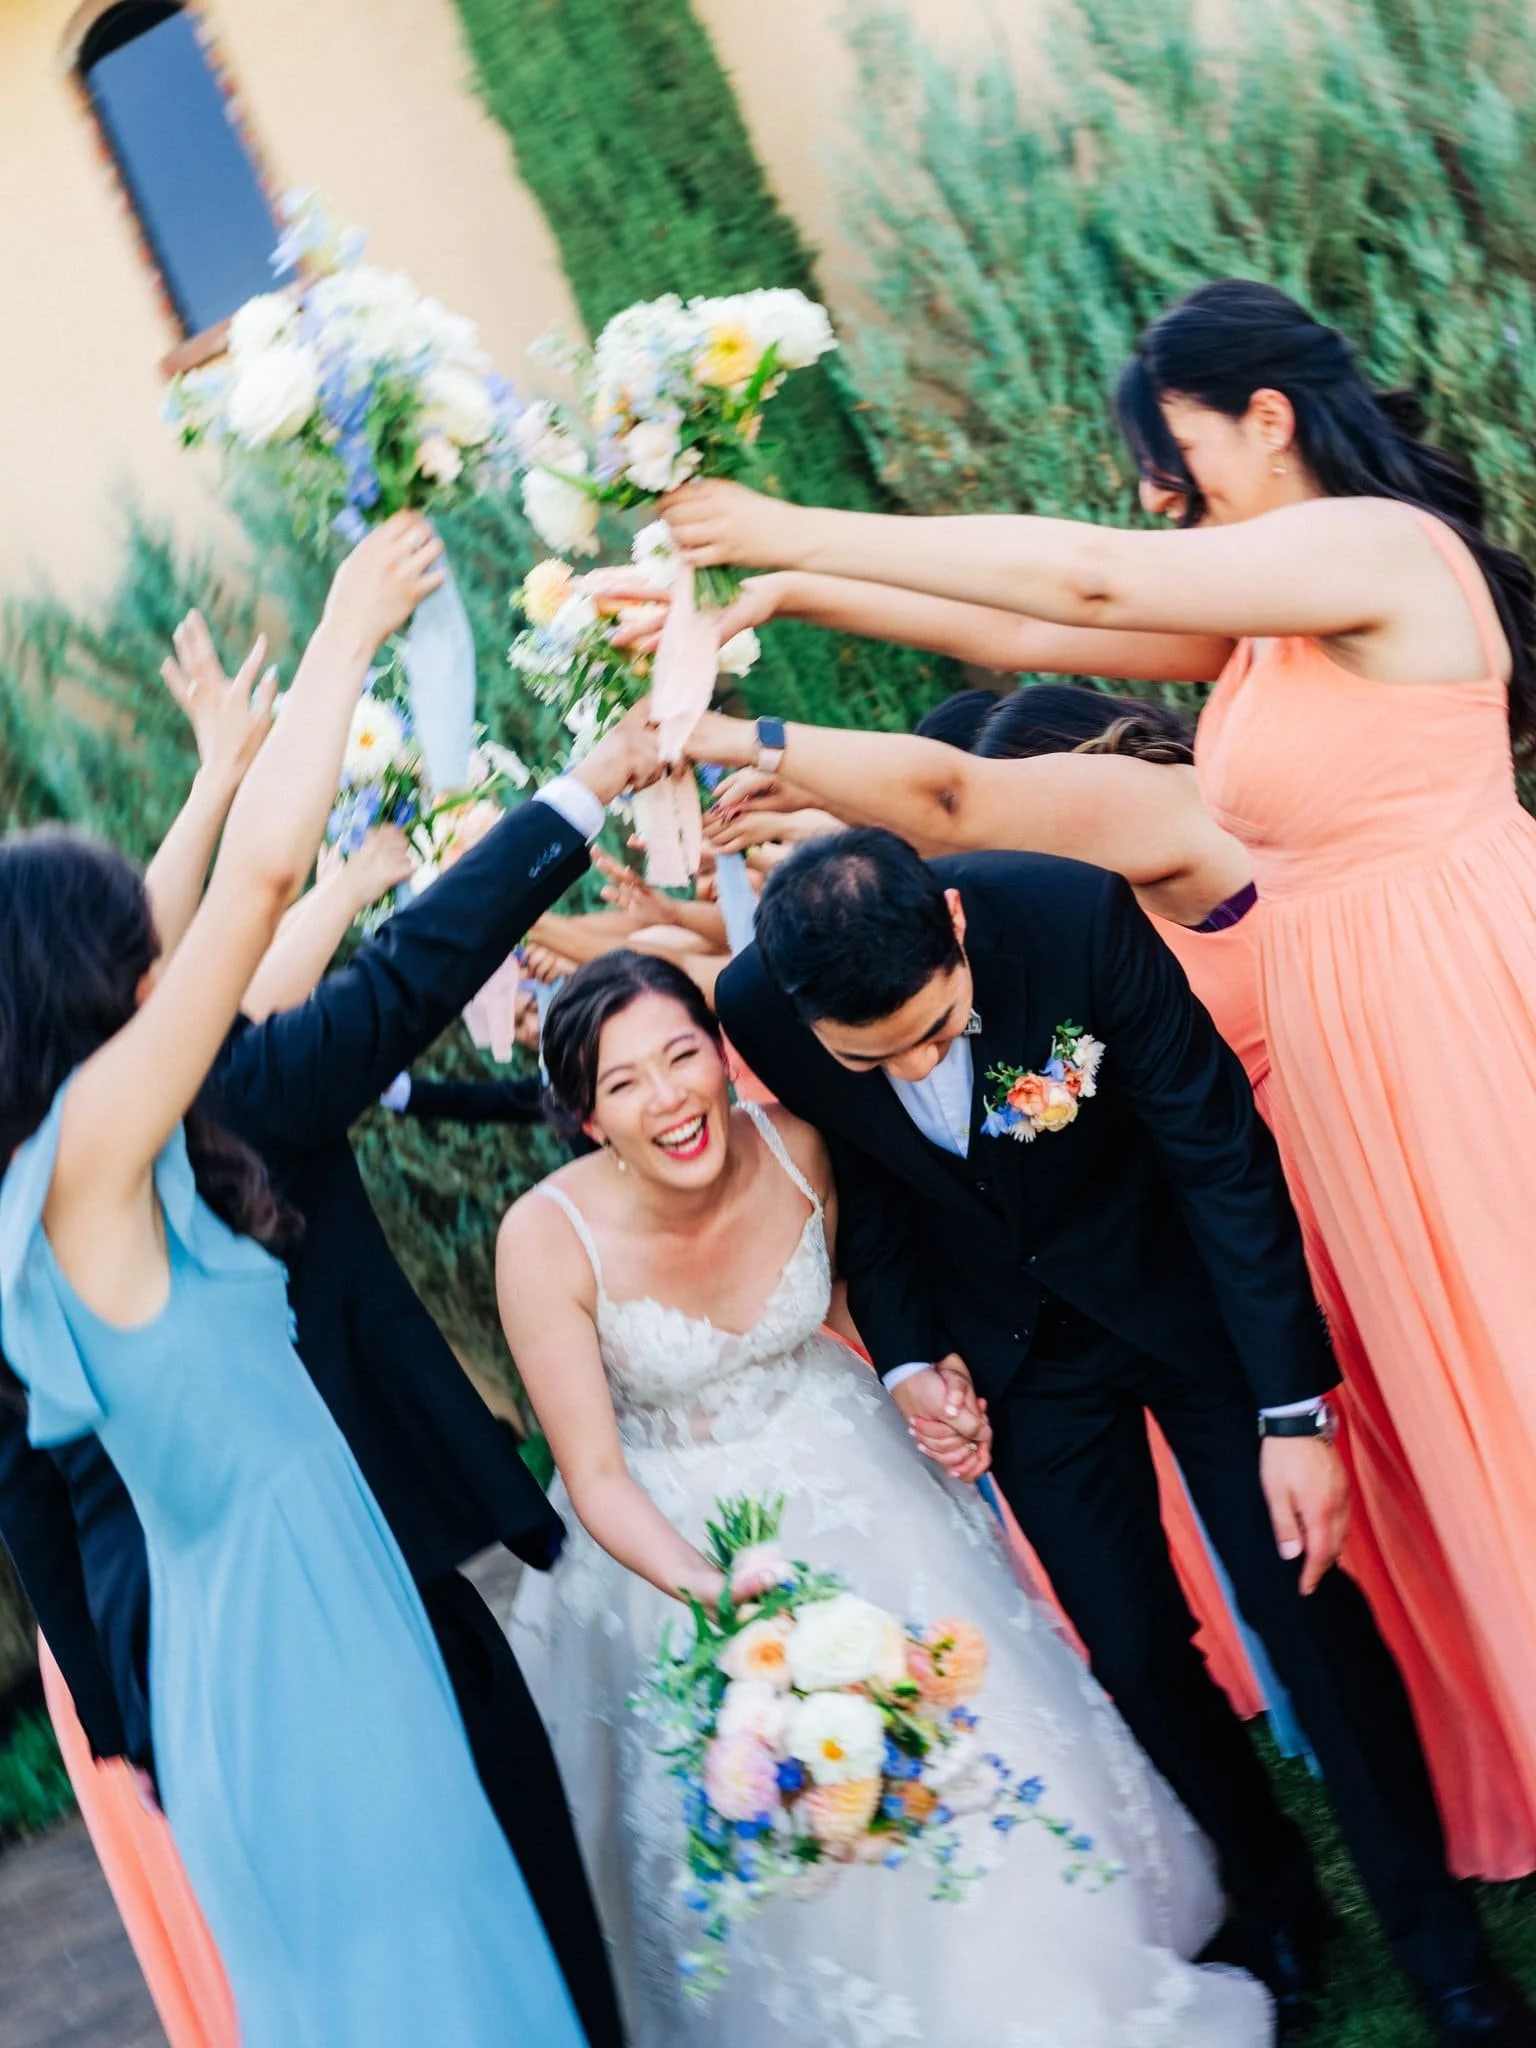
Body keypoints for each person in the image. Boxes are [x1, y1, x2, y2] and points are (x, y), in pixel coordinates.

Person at [659, 275, 1536, 1889]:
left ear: (1264, 416)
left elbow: (1078, 570)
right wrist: (787, 587)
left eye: (1172, 451)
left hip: (1448, 1008)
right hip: (1360, 1040)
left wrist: (785, 511)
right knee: (1462, 1397)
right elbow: (1030, 629)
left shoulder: (1375, 550)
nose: (1154, 492)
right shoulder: (1268, 618)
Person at [707, 828, 1529, 2047]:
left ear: (957, 926)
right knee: (1135, 1648)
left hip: (1181, 1298)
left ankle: (1442, 1949)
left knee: (1304, 1608)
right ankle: (1278, 1906)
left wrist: (1291, 1408)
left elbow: (1219, 1154)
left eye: (937, 1031)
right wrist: (911, 1355)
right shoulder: (760, 1010)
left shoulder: (1073, 916)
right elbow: (870, 1189)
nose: (919, 1064)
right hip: (1021, 1358)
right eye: (873, 1056)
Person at [0, 611, 659, 2048]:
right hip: (291, 1647)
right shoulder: (96, 1167)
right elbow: (259, 890)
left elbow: (149, 943)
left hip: (289, 1611)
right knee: (434, 1990)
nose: (165, 976)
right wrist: (355, 624)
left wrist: (213, 771)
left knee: (438, 1979)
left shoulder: (61, 1165)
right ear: (89, 997)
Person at [500, 949, 1271, 2048]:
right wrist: (728, 1603)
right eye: (624, 1083)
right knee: (781, 1796)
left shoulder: (799, 1144)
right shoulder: (544, 1237)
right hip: (674, 1544)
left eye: (683, 1054)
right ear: (584, 1119)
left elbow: (862, 1306)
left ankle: (1056, 1975)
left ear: (722, 1056)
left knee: (964, 1724)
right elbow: (596, 1476)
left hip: (851, 1465)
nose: (669, 1095)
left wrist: (925, 1378)